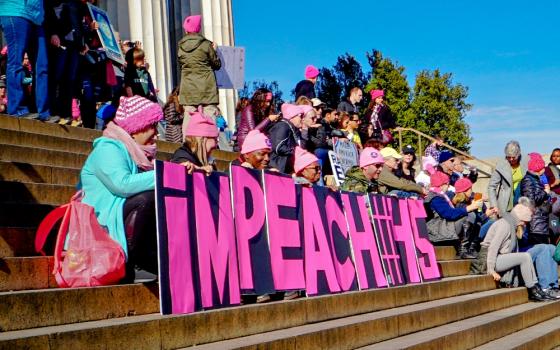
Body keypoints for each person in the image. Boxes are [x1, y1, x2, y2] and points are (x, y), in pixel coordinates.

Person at [79, 96, 163, 280]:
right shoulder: (108, 149)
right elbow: (122, 185)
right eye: (152, 126)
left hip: (116, 217)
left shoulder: (136, 154)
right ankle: (138, 261)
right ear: (134, 129)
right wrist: (163, 174)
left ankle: (156, 262)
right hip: (101, 225)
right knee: (147, 200)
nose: (156, 133)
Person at [478, 200, 551, 301]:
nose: (525, 224)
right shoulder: (505, 225)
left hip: (500, 257)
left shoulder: (512, 224)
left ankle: (535, 288)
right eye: (525, 221)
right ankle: (532, 290)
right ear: (519, 218)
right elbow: (492, 248)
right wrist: (491, 270)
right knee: (525, 256)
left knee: (526, 256)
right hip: (489, 260)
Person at [0, 0, 59, 122]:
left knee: (42, 66)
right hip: (15, 12)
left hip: (36, 19)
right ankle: (17, 109)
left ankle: (43, 112)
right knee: (16, 62)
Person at [178, 14, 221, 126]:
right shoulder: (206, 45)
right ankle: (209, 141)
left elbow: (181, 65)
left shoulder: (181, 47)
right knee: (209, 116)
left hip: (188, 87)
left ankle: (187, 142)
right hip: (207, 86)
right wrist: (214, 50)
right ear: (198, 28)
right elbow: (216, 64)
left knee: (189, 117)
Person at [425, 171, 483, 254]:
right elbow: (449, 214)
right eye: (447, 184)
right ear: (442, 185)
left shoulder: (438, 196)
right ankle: (464, 248)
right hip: (437, 232)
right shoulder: (435, 198)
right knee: (469, 215)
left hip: (442, 228)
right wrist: (469, 208)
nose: (448, 187)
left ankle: (467, 247)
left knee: (471, 215)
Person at [452, 178, 497, 258]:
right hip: (464, 234)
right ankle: (467, 248)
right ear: (466, 190)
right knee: (490, 222)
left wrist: (486, 209)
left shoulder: (474, 198)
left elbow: (480, 215)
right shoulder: (461, 204)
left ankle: (473, 248)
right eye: (470, 189)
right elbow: (477, 220)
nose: (472, 191)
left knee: (493, 222)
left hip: (476, 229)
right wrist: (486, 214)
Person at [170, 107, 218, 175]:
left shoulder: (202, 158)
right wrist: (199, 170)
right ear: (202, 139)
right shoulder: (182, 156)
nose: (216, 144)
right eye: (215, 139)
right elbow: (179, 168)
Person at [488, 140, 528, 218]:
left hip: (523, 200)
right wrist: (494, 205)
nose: (511, 159)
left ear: (519, 154)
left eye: (514, 157)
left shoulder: (526, 161)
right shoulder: (500, 165)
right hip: (506, 203)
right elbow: (491, 187)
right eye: (508, 157)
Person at [520, 153, 551, 246]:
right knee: (539, 249)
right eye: (543, 166)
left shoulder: (536, 179)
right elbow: (531, 201)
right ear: (538, 168)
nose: (544, 169)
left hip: (541, 221)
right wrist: (545, 193)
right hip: (535, 224)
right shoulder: (528, 180)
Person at [268, 103, 303, 174]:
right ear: (292, 116)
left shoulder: (291, 128)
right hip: (276, 166)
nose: (302, 119)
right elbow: (278, 147)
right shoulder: (283, 126)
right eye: (300, 116)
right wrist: (296, 152)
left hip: (283, 167)